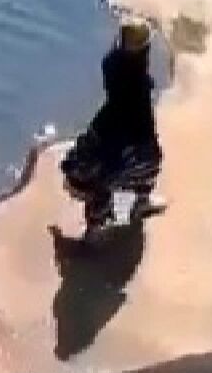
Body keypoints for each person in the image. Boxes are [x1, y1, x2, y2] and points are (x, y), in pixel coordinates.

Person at [61, 19, 162, 234]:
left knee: (101, 174)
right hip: (113, 162)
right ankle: (140, 203)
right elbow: (145, 131)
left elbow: (114, 60)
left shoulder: (111, 67)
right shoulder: (140, 88)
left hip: (84, 166)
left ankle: (94, 229)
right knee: (151, 159)